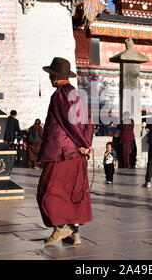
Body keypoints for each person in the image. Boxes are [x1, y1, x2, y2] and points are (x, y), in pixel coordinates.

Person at [37, 57, 94, 246]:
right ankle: (74, 233)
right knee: (73, 191)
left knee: (49, 190)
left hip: (62, 152)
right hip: (77, 152)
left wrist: (83, 143)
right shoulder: (78, 94)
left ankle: (60, 227)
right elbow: (88, 122)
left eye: (51, 75)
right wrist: (87, 144)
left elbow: (71, 123)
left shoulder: (61, 94)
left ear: (54, 76)